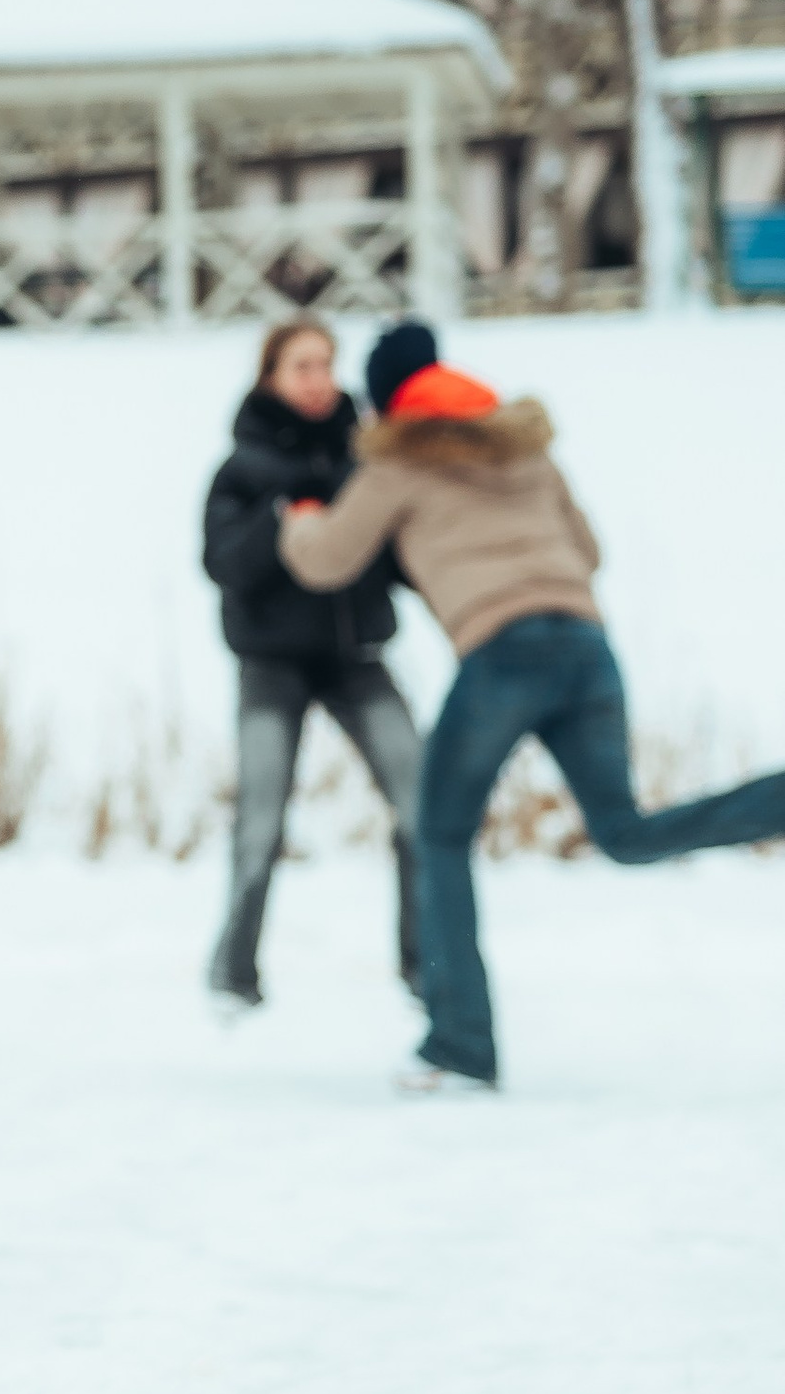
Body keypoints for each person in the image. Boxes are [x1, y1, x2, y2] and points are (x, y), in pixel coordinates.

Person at [281, 316, 785, 1090]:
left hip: (500, 655)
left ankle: (460, 1046)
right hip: (587, 650)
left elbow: (327, 562)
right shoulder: (523, 444)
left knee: (440, 834)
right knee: (624, 831)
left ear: (385, 401)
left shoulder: (397, 460)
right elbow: (589, 551)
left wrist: (303, 518)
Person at [200, 314, 421, 1009]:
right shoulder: (240, 471)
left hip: (356, 657)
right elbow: (220, 564)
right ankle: (234, 974)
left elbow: (402, 554)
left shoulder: (369, 460)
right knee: (261, 823)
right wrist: (277, 526)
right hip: (271, 665)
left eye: (327, 363)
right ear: (270, 376)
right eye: (303, 366)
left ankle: (424, 965)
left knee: (422, 799)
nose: (320, 379)